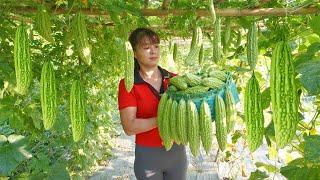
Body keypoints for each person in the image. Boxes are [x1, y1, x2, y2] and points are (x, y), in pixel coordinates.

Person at [118, 28, 188, 180]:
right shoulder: (128, 85)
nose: (153, 51)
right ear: (134, 54)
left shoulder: (175, 80)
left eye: (156, 46)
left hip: (178, 155)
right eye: (146, 47)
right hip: (148, 158)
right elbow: (129, 127)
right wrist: (165, 118)